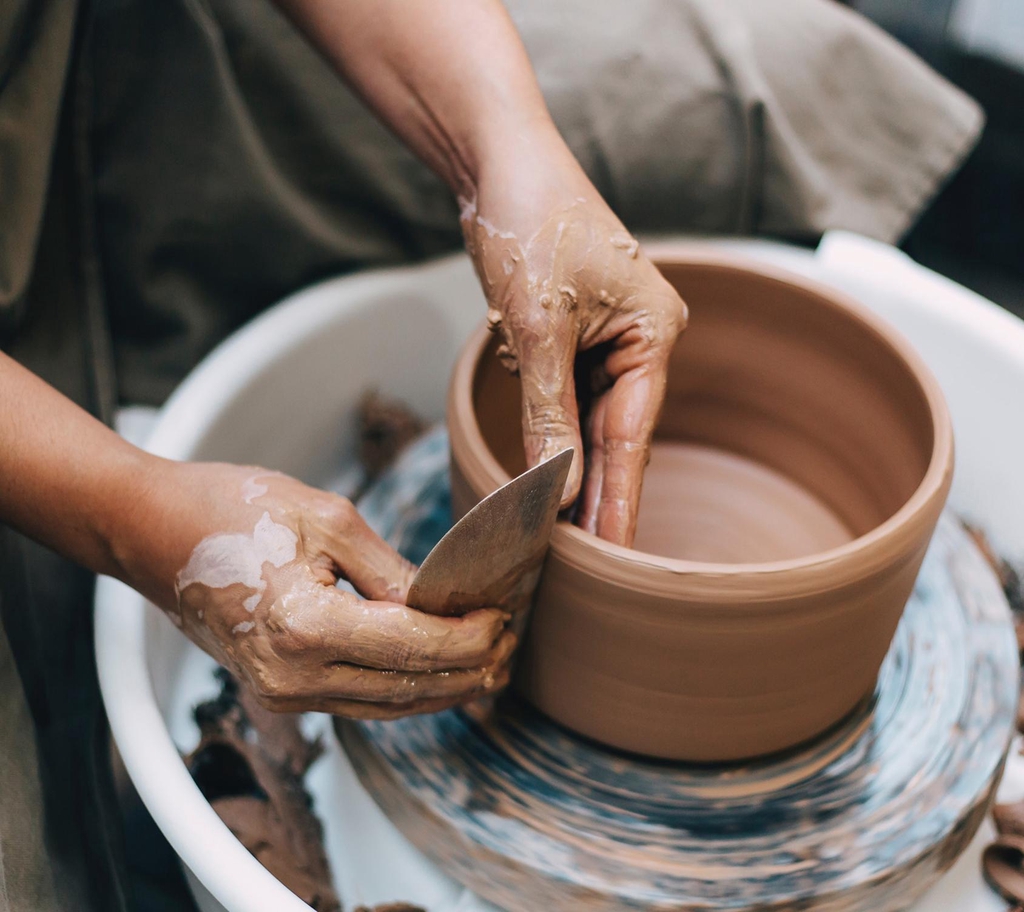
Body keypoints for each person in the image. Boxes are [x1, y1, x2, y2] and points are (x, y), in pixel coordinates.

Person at [0, 0, 982, 909]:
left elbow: (502, 137)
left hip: (121, 41)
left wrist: (502, 155)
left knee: (758, 73)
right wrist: (131, 514)